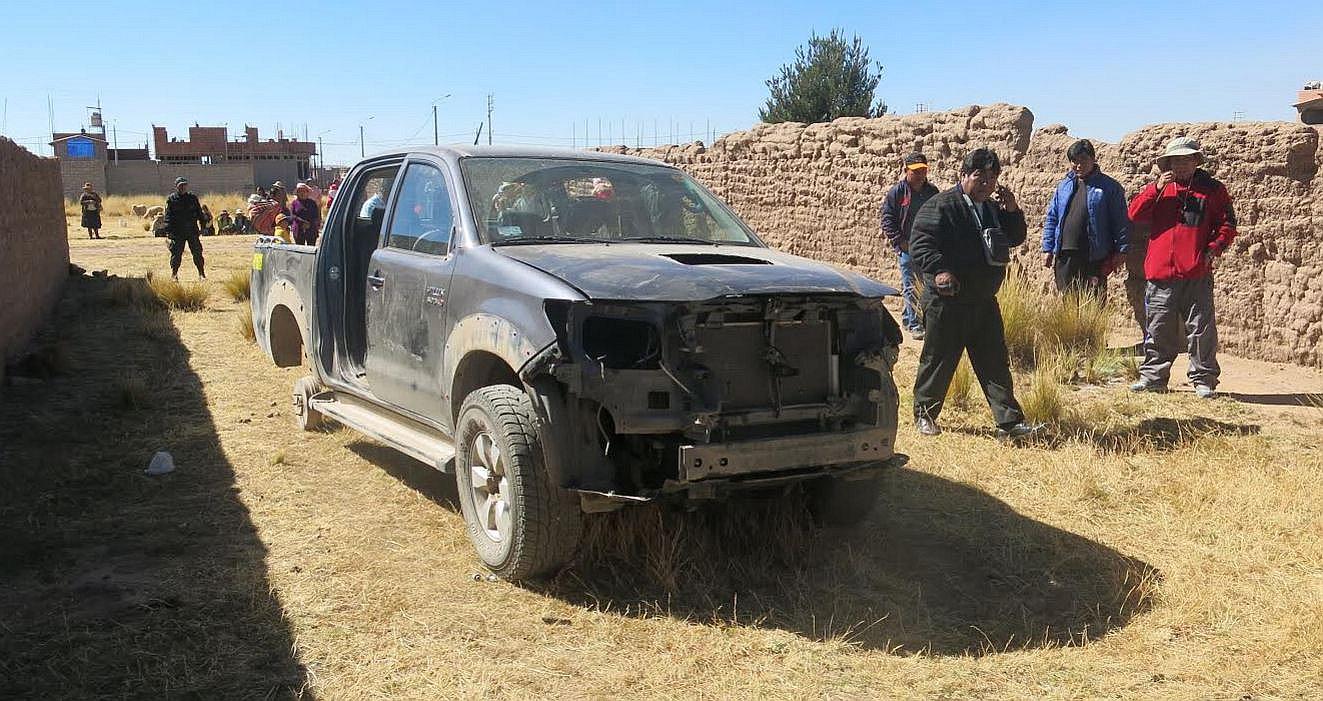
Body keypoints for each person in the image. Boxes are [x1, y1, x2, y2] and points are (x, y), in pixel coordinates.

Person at [909, 148, 1035, 438]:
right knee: (938, 360)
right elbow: (921, 243)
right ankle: (925, 415)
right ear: (963, 175)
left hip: (982, 301)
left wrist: (1012, 210)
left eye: (992, 178)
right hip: (947, 301)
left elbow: (1015, 237)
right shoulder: (941, 205)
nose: (986, 184)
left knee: (994, 362)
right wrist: (940, 270)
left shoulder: (991, 209)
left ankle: (1009, 422)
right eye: (980, 176)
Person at [1127, 136, 1237, 398]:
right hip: (1160, 273)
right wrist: (1155, 188)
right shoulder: (1158, 190)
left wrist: (1211, 251)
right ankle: (1153, 377)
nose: (1182, 166)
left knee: (1200, 328)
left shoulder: (1212, 189)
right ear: (1168, 164)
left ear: (1196, 161)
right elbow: (1134, 215)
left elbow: (1228, 225)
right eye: (1176, 161)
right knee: (1158, 327)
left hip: (1195, 273)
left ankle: (1204, 379)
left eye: (1187, 160)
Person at [1040, 139, 1129, 296]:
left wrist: (1122, 250)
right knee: (1068, 301)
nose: (1078, 165)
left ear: (1093, 159)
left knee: (1093, 301)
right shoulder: (1064, 186)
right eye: (1074, 161)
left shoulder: (1109, 187)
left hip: (1093, 255)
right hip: (1066, 255)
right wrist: (1047, 248)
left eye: (1083, 160)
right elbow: (1052, 217)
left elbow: (1120, 220)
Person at [880, 152, 940, 339]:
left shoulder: (931, 192)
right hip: (907, 247)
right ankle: (914, 324)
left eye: (923, 170)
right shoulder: (897, 192)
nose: (920, 174)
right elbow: (887, 219)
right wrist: (900, 242)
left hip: (926, 247)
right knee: (911, 285)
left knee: (925, 284)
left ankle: (910, 318)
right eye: (916, 171)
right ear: (906, 170)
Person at [162, 177, 207, 280]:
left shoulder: (192, 198)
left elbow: (200, 213)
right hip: (178, 232)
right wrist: (168, 232)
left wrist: (203, 226)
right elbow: (168, 216)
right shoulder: (172, 199)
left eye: (184, 185)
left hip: (192, 231)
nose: (183, 187)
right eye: (180, 185)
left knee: (197, 253)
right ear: (177, 187)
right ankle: (174, 274)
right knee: (176, 254)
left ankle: (201, 274)